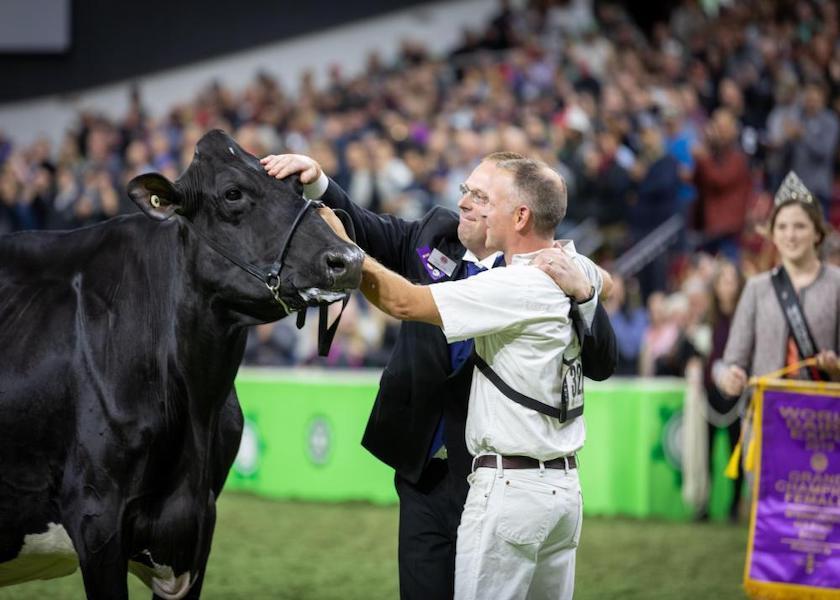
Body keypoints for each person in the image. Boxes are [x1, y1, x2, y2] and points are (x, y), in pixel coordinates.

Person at [262, 152, 617, 600]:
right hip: (426, 469)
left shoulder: (537, 274)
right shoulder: (435, 235)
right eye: (465, 189)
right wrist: (318, 184)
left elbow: (404, 302)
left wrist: (589, 288)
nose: (464, 201)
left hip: (491, 473)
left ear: (514, 214)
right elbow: (365, 225)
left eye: (481, 195)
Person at [716, 171, 840, 400]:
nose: (790, 235)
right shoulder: (756, 288)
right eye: (782, 227)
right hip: (767, 419)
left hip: (824, 420)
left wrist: (835, 367)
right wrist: (730, 377)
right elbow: (730, 362)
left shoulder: (836, 285)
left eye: (800, 226)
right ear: (772, 233)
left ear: (817, 233)